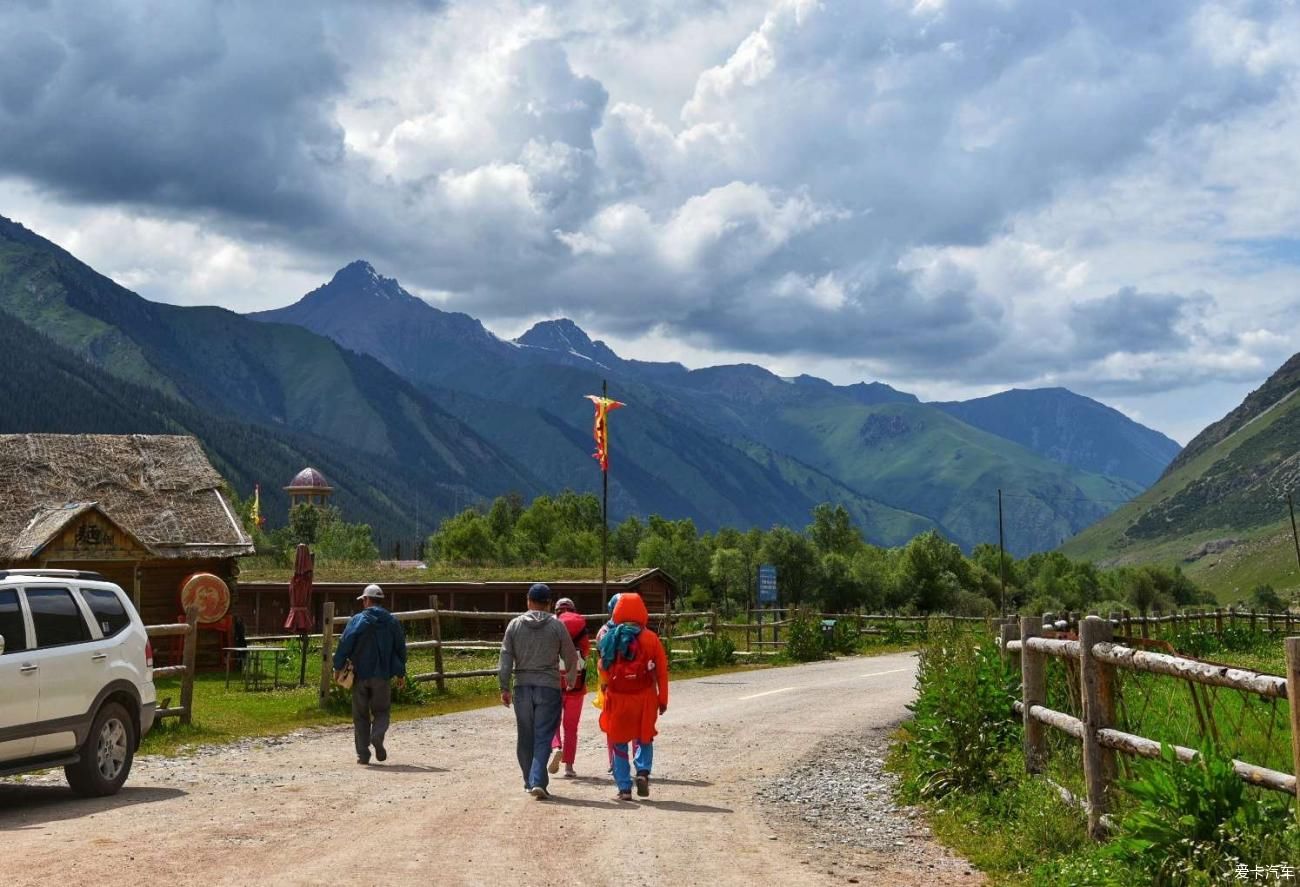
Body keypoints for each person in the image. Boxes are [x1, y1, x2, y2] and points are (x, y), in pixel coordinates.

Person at [499, 582, 579, 800]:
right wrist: (571, 679)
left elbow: (506, 656)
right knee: (543, 736)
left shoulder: (515, 625)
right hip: (548, 687)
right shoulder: (556, 626)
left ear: (528, 601)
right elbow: (571, 655)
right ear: (549, 604)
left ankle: (529, 781)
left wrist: (504, 686)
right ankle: (537, 781)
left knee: (525, 737)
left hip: (522, 687)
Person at [597, 592, 668, 801]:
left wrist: (605, 692)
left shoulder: (609, 637)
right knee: (644, 737)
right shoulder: (651, 638)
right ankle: (643, 772)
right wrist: (662, 699)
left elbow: (603, 669)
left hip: (618, 698)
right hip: (645, 698)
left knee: (618, 742)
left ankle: (624, 788)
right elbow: (662, 671)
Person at [332, 584, 407, 765]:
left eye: (363, 599)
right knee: (382, 711)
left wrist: (338, 666)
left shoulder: (357, 620)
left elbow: (345, 643)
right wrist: (400, 673)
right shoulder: (391, 622)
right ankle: (377, 735)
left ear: (366, 600)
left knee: (360, 714)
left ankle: (363, 754)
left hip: (360, 674)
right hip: (382, 675)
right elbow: (400, 649)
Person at [548, 598, 591, 778]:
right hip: (577, 685)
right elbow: (586, 651)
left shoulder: (552, 625)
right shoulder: (581, 626)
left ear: (557, 610)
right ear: (573, 610)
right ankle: (569, 767)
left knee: (552, 723)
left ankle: (556, 747)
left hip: (554, 684)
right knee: (571, 727)